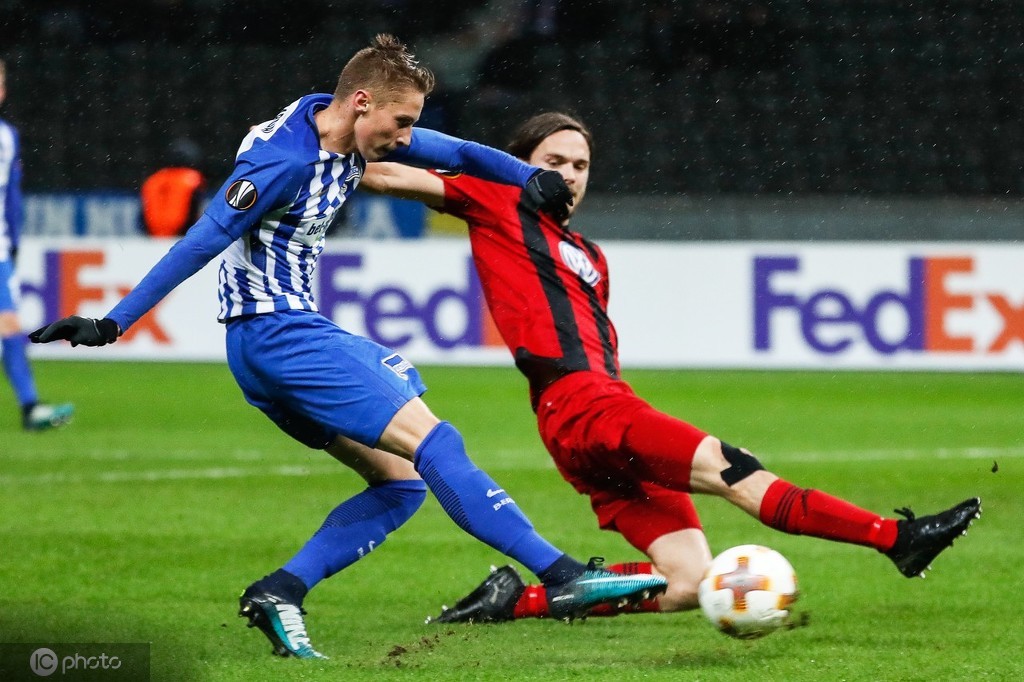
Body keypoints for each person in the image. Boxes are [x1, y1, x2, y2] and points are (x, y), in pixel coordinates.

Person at [27, 37, 666, 659]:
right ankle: (561, 576)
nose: (406, 139)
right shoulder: (282, 162)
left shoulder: (340, 123)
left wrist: (529, 177)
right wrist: (113, 322)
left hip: (266, 346)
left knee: (401, 483)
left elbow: (459, 151)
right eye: (401, 122)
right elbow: (204, 238)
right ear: (362, 102)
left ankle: (281, 591)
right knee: (436, 442)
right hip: (280, 334)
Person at [357, 112, 982, 623]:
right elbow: (384, 174)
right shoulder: (497, 199)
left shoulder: (590, 255)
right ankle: (894, 539)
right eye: (554, 162)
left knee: (687, 582)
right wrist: (329, 139)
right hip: (583, 406)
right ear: (520, 164)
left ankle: (513, 602)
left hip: (588, 414)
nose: (569, 175)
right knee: (734, 469)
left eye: (580, 166)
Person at [0, 58, 74, 431]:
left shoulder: (7, 137)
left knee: (9, 324)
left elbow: (11, 196)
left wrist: (12, 241)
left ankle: (30, 407)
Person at [140, 136, 208, 238]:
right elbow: (195, 210)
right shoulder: (192, 178)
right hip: (181, 235)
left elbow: (143, 213)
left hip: (152, 236)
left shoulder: (153, 179)